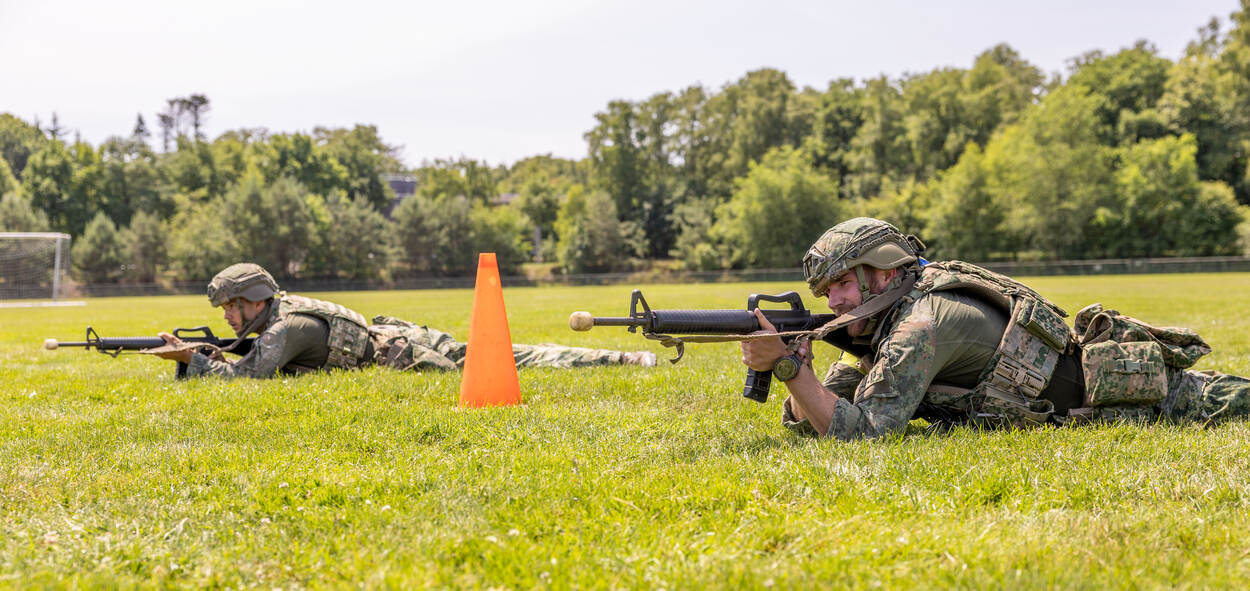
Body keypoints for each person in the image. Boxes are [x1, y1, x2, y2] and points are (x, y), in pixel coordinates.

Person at [740, 217, 1250, 440]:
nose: (834, 301)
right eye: (826, 293)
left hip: (1138, 397)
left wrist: (787, 368)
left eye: (842, 284)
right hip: (1090, 391)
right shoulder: (896, 314)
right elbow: (817, 418)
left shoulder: (920, 325)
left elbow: (865, 435)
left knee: (1232, 399)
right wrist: (803, 371)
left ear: (882, 270)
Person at [155, 263, 656, 379]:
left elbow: (246, 379)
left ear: (255, 299)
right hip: (400, 337)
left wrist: (190, 359)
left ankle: (622, 358)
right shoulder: (285, 311)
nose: (227, 315)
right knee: (506, 356)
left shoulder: (285, 327)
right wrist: (202, 352)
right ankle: (626, 357)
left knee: (502, 366)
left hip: (405, 354)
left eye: (231, 306)